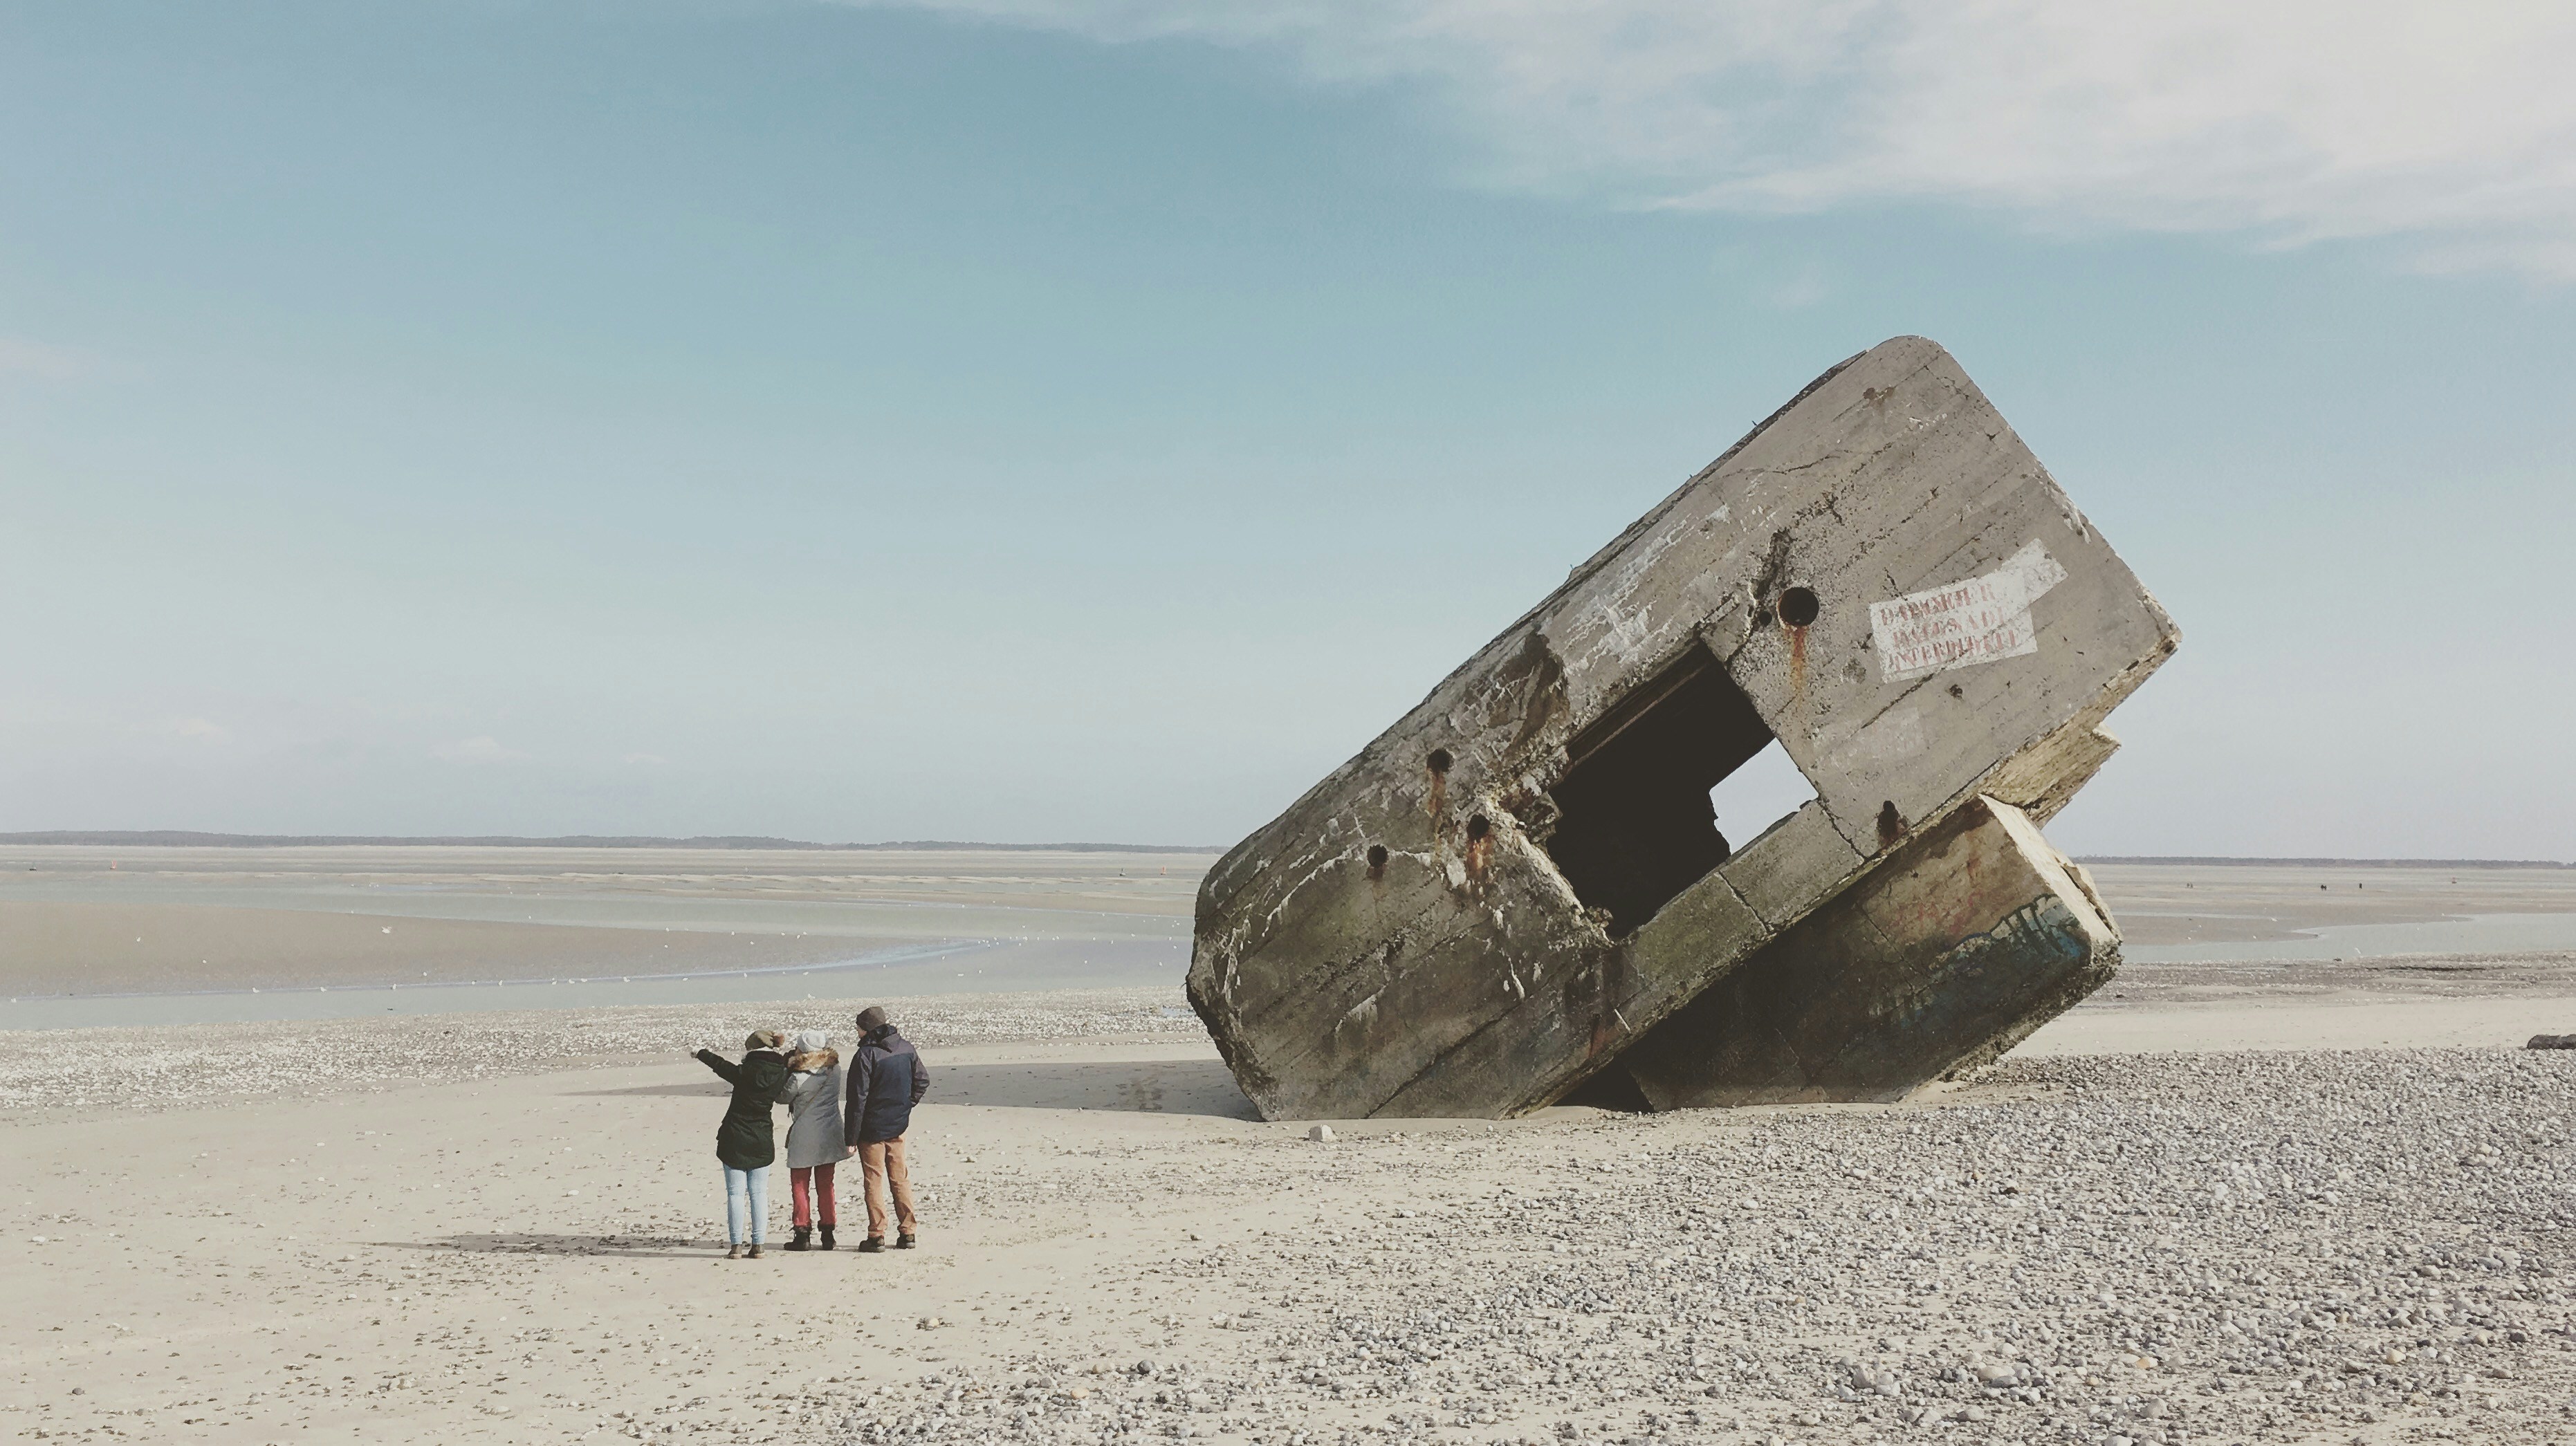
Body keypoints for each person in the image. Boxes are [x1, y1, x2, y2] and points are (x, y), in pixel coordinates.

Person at [692, 1030, 791, 1259]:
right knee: (759, 1193)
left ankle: (736, 1245)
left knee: (736, 1194)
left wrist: (700, 1053)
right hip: (762, 1137)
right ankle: (759, 1245)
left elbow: (720, 1065)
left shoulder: (743, 1072)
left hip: (735, 1136)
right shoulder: (781, 1072)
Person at [843, 1005, 929, 1252]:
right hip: (896, 1125)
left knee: (874, 1180)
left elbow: (857, 1100)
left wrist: (851, 1137)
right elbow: (921, 1081)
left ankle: (877, 1234)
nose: (857, 1032)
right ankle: (908, 1232)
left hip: (872, 1129)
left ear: (867, 1029)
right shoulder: (906, 1048)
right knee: (899, 1178)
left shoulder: (866, 1055)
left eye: (858, 1027)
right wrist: (905, 1106)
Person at [780, 1030, 852, 1251]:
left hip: (804, 1135)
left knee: (800, 1185)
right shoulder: (835, 1070)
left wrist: (787, 1068)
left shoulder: (798, 1077)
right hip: (829, 1132)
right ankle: (828, 1232)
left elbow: (782, 1098)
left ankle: (802, 1233)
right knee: (826, 1184)